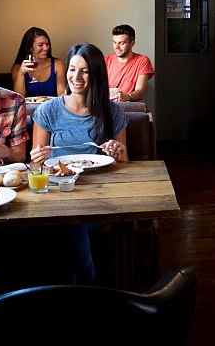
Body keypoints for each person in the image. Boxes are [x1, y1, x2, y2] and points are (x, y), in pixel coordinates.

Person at [29, 43, 129, 283]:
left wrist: (119, 152)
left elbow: (125, 165)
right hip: (58, 195)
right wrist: (38, 159)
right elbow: (35, 167)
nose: (76, 77)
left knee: (72, 222)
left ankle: (79, 285)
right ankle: (86, 286)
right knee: (69, 221)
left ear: (96, 74)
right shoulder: (48, 111)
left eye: (84, 71)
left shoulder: (112, 111)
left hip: (100, 198)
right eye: (72, 69)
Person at [10, 26, 66, 98]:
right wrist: (21, 73)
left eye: (47, 44)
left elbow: (61, 93)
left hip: (51, 107)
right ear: (30, 47)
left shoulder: (58, 64)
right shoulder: (17, 68)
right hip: (28, 108)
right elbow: (19, 98)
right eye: (40, 45)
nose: (46, 48)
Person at [105, 24, 155, 103]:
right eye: (114, 42)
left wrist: (126, 97)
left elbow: (140, 91)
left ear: (132, 43)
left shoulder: (142, 61)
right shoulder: (105, 60)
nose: (116, 47)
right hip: (107, 104)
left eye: (121, 43)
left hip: (129, 104)